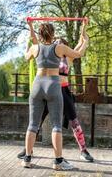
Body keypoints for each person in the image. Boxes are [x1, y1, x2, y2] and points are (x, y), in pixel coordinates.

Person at [18, 20, 93, 162]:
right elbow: (35, 42)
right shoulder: (50, 50)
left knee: (73, 121)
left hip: (62, 91)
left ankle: (83, 150)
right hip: (49, 89)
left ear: (62, 44)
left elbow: (80, 49)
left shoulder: (66, 55)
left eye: (59, 41)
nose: (56, 41)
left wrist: (84, 31)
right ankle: (28, 150)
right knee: (37, 121)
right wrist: (30, 28)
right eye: (55, 39)